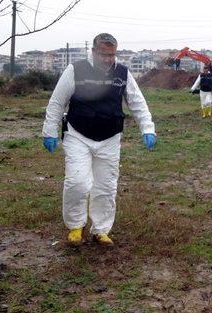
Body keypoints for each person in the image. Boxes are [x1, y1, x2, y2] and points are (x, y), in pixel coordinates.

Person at [42, 33, 156, 247]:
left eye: (112, 55)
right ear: (94, 52)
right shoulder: (75, 70)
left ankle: (101, 230)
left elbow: (137, 102)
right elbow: (57, 102)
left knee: (106, 186)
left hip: (110, 137)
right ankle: (76, 226)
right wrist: (49, 131)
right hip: (78, 135)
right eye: (104, 54)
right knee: (77, 182)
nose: (108, 59)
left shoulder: (122, 73)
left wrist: (147, 128)